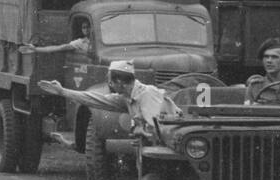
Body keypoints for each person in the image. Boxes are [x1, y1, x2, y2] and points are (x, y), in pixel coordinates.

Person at [38, 59, 181, 142]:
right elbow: (95, 99)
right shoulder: (127, 97)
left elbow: (154, 131)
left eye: (110, 81)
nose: (109, 85)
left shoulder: (148, 94)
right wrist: (62, 91)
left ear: (119, 82)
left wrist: (139, 129)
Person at [19, 18, 91, 56]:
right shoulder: (81, 42)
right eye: (84, 27)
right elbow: (60, 48)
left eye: (88, 27)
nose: (86, 29)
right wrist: (36, 49)